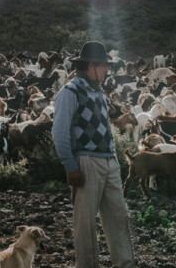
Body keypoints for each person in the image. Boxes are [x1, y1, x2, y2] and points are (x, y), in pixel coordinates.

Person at [52, 41, 136, 268]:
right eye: (104, 66)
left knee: (118, 217)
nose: (107, 70)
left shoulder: (98, 92)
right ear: (92, 65)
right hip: (86, 160)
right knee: (85, 224)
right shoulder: (70, 91)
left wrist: (114, 159)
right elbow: (59, 132)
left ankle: (125, 264)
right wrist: (70, 166)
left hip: (108, 161)